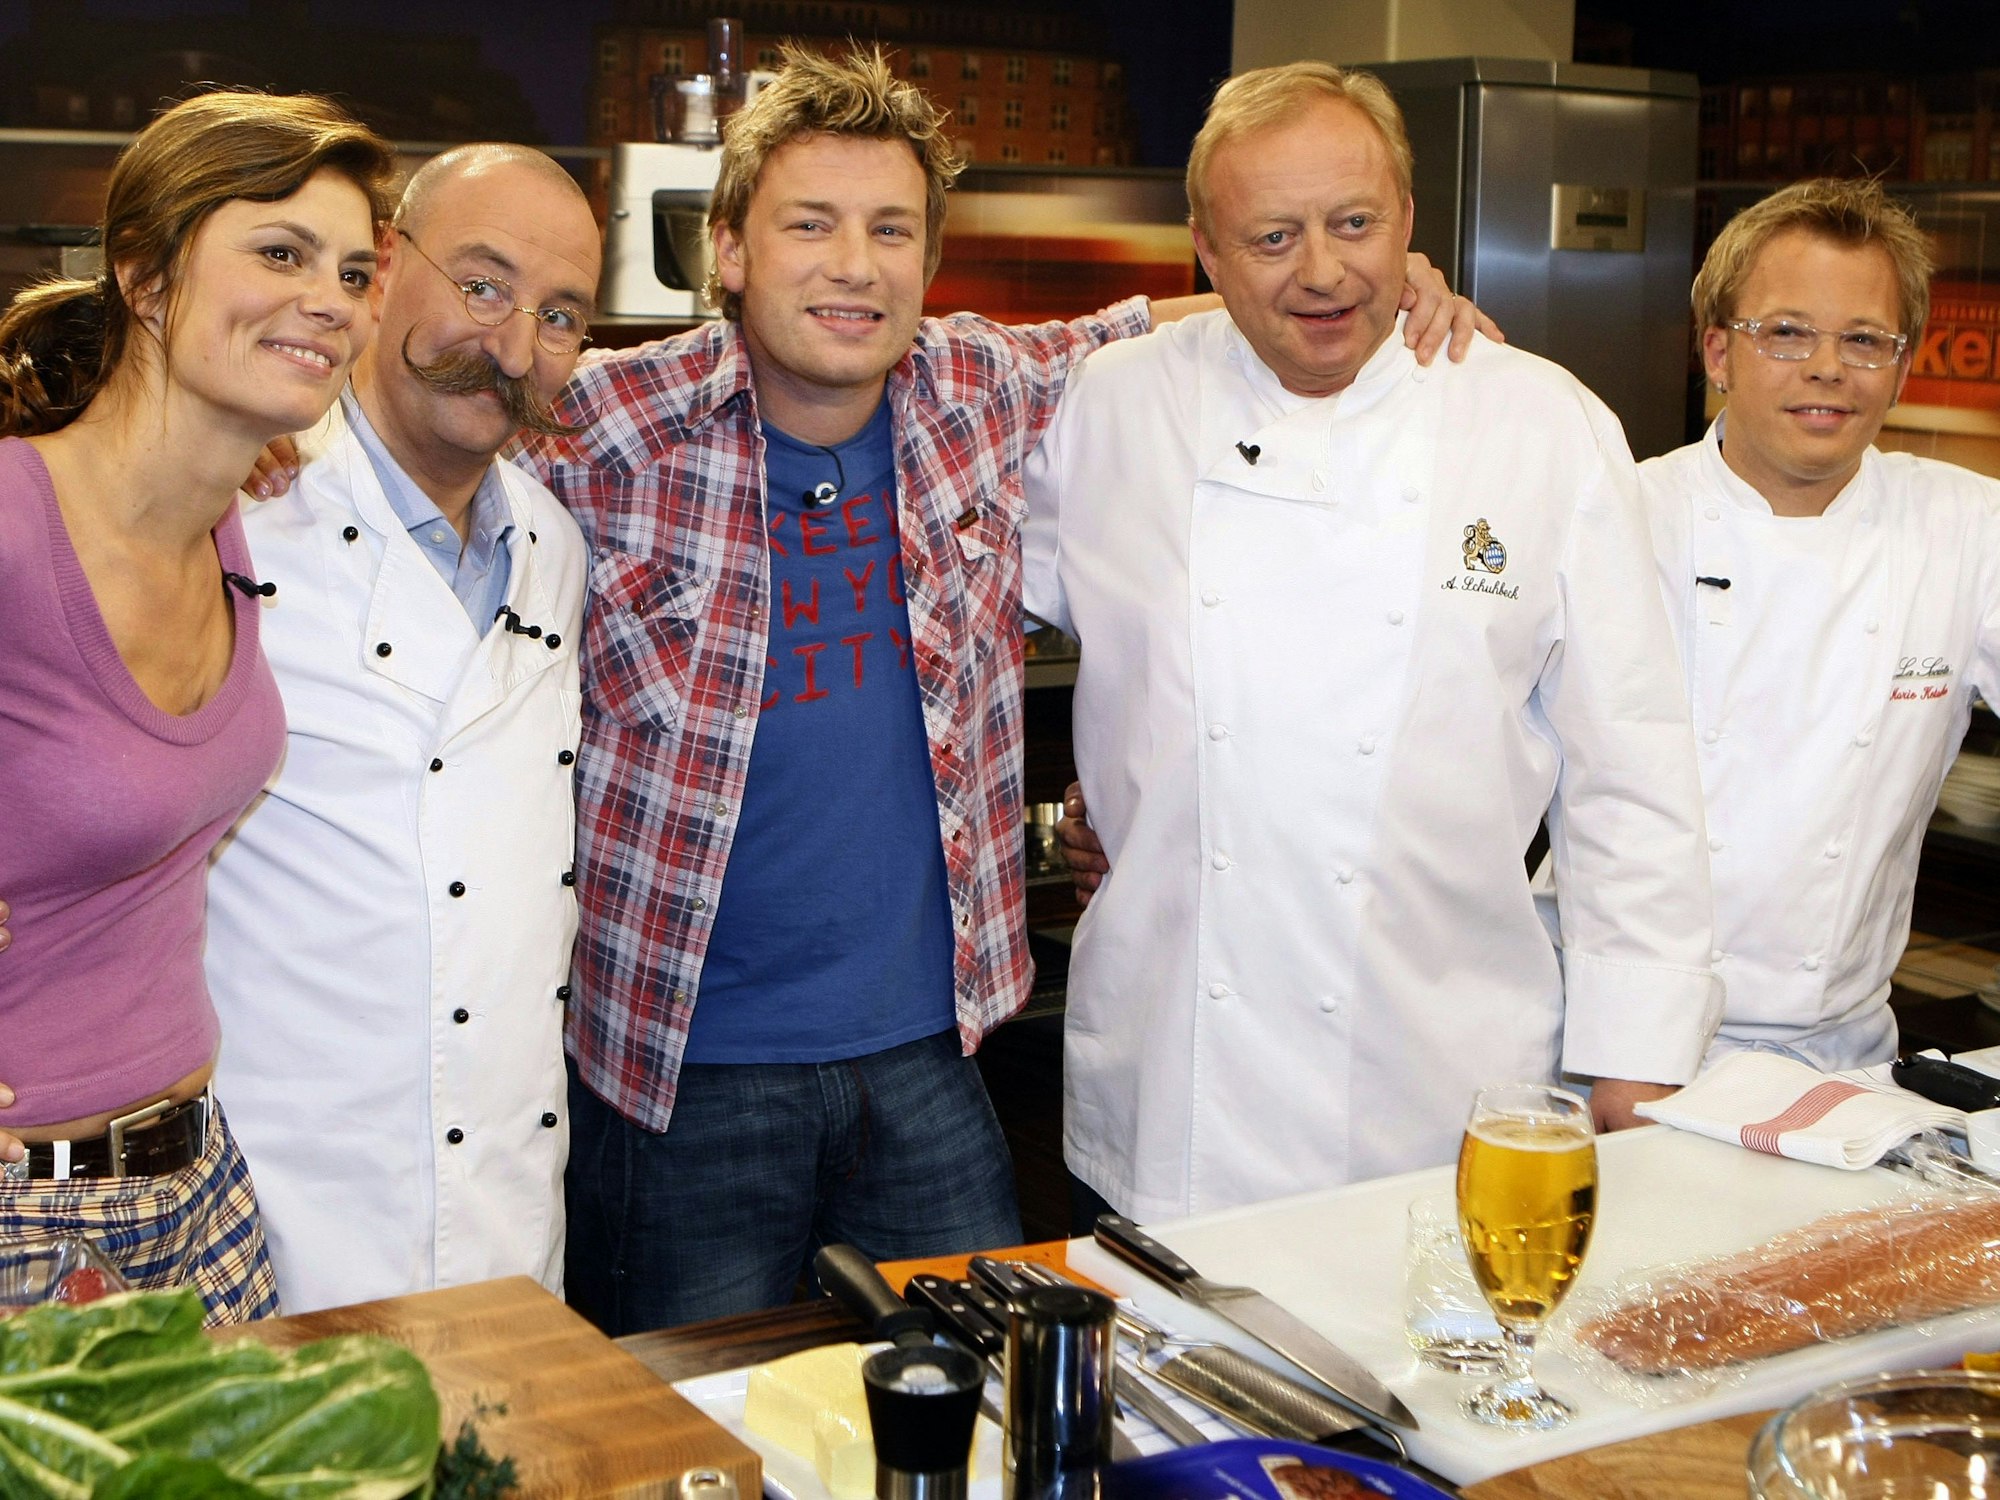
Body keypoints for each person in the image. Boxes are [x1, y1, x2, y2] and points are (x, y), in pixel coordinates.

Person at [505, 46, 1488, 1332]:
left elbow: (1177, 321)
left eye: (890, 229)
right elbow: (424, 425)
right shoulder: (599, 425)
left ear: (926, 257)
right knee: (697, 1435)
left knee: (983, 1420)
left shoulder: (978, 388)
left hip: (930, 1057)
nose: (854, 263)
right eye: (810, 224)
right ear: (730, 249)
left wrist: (1374, 278)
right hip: (680, 1075)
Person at [1025, 61, 1719, 1224]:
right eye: (1270, 236)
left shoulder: (1541, 423)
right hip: (1181, 1085)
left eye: (1356, 223)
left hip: (1440, 1073)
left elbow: (1631, 773)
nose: (1324, 271)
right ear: (1201, 248)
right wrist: (1114, 794)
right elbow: (974, 632)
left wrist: (1635, 1060)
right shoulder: (1110, 403)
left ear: (1408, 219)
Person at [0, 89, 394, 1320]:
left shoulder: (231, 514)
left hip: (195, 1191)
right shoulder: (14, 527)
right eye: (279, 253)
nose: (329, 296)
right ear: (147, 277)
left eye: (354, 268)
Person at [199, 145, 600, 1314]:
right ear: (378, 275)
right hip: (277, 1219)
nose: (515, 347)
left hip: (511, 1224)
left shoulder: (553, 547)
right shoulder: (235, 518)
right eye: (481, 286)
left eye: (561, 316)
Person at [1582, 177, 1995, 1069]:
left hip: (1843, 1059)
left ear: (1904, 361)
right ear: (1718, 352)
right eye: (1788, 332)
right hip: (1602, 1041)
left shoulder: (1965, 530)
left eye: (1864, 340)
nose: (1828, 368)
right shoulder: (1616, 515)